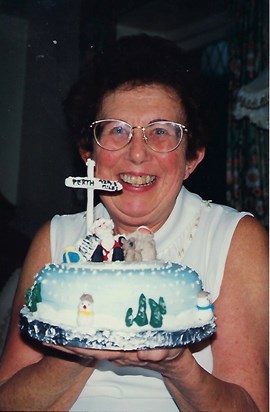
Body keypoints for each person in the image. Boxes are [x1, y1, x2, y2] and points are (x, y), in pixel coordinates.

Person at [0, 34, 268, 412]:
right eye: (117, 130)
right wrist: (80, 351)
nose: (137, 153)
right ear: (88, 153)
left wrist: (178, 365)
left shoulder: (235, 238)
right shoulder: (55, 238)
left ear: (192, 159)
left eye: (160, 132)